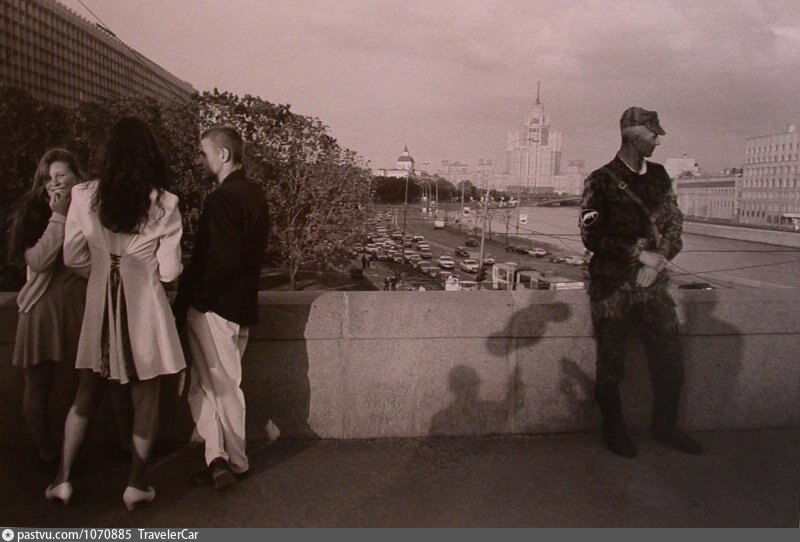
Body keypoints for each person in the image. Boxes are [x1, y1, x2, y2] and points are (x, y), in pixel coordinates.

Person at [48, 117, 186, 510]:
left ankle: (62, 479)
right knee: (147, 400)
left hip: (99, 309)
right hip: (145, 311)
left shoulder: (83, 195)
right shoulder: (166, 202)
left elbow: (72, 256)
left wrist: (103, 271)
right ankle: (136, 484)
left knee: (85, 394)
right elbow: (171, 270)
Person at [579, 107, 702, 459]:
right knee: (612, 364)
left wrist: (658, 258)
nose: (658, 140)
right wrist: (638, 255)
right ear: (634, 135)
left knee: (671, 359)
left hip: (652, 286)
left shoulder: (660, 177)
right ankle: (614, 430)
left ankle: (665, 427)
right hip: (612, 286)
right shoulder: (600, 180)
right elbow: (592, 236)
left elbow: (674, 225)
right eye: (653, 134)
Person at [173, 126, 269, 490]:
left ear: (223, 155)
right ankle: (218, 459)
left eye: (204, 153)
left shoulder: (219, 200)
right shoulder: (256, 194)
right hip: (242, 306)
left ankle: (236, 461)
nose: (201, 160)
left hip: (214, 309)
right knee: (214, 384)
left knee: (217, 386)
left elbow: (217, 262)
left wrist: (197, 300)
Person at [8, 149, 89, 471]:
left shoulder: (90, 206)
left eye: (60, 176)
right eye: (47, 178)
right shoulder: (33, 212)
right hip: (42, 308)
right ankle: (47, 454)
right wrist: (58, 215)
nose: (52, 184)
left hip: (78, 308)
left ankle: (78, 452)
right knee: (39, 384)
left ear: (76, 177)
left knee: (91, 383)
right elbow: (38, 260)